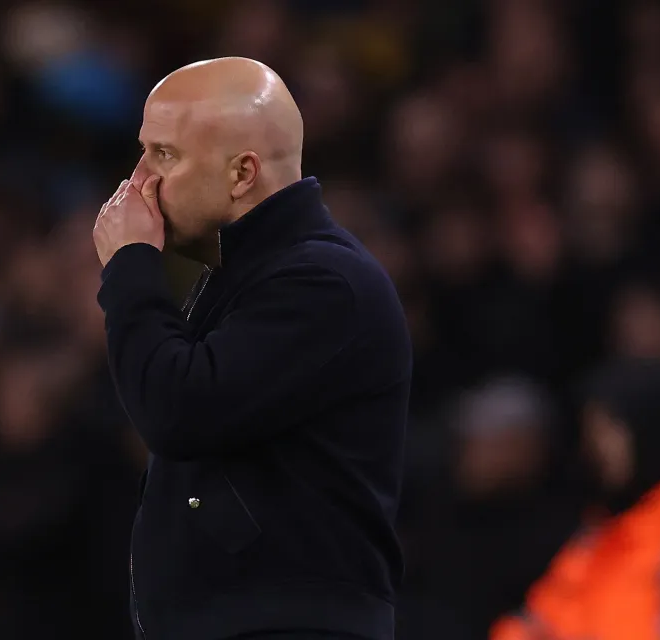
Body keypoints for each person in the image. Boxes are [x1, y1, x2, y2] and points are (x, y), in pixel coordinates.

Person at [92, 57, 411, 639]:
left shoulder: (324, 282)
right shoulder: (241, 275)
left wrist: (130, 265)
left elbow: (177, 410)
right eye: (143, 151)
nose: (138, 180)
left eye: (164, 155)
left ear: (243, 174)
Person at [490, 358, 660, 640]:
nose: (596, 447)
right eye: (594, 431)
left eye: (609, 431)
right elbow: (543, 619)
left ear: (650, 426)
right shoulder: (609, 521)